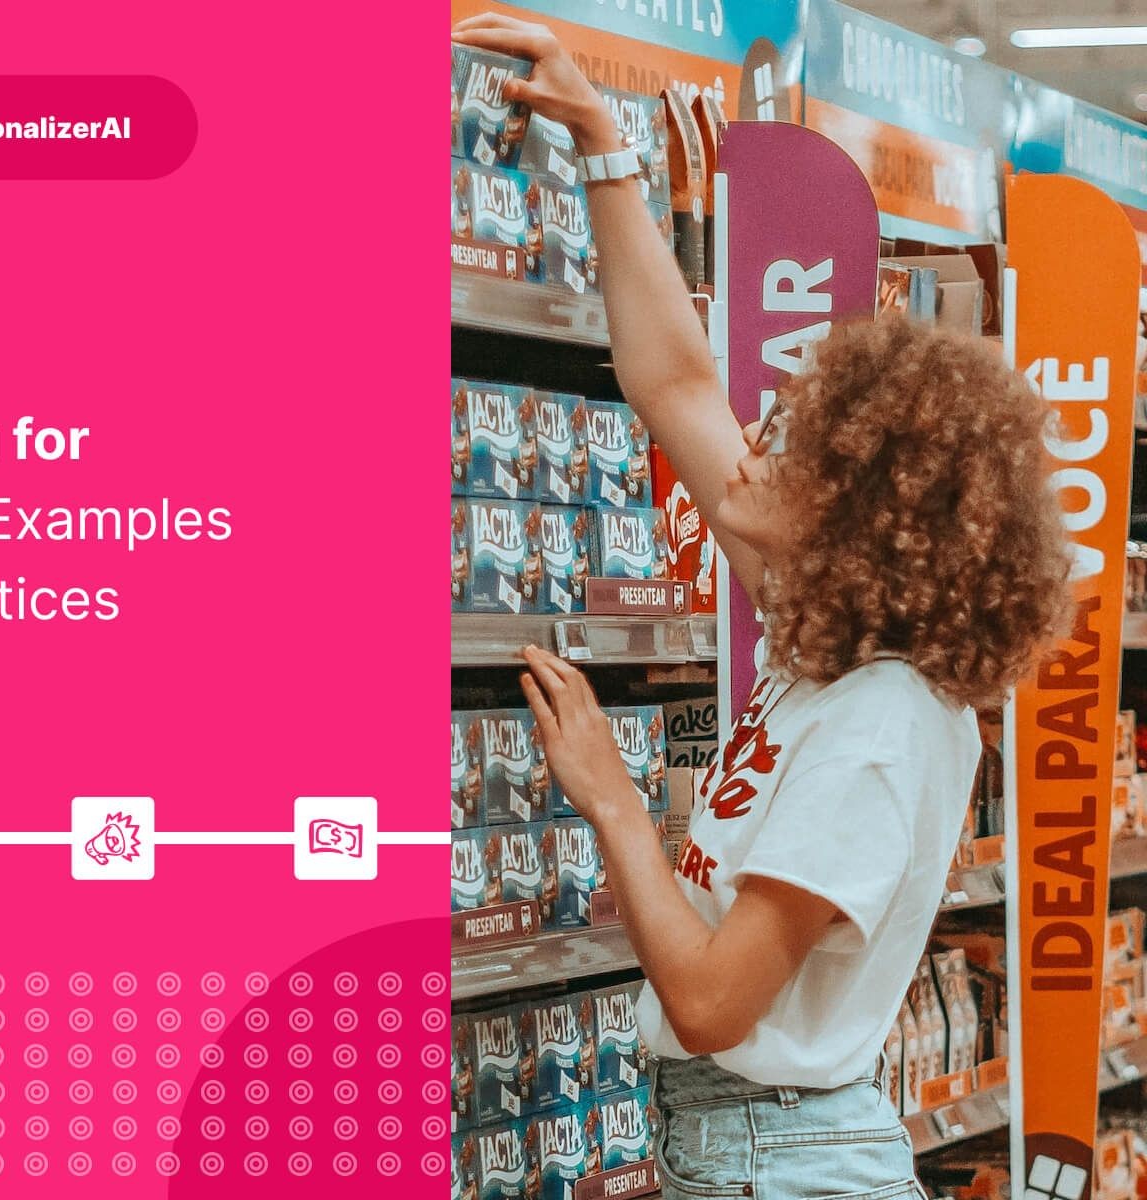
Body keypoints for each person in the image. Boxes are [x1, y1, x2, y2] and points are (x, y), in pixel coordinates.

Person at [451, 13, 1074, 1198]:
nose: (747, 456)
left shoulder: (879, 730)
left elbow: (711, 1000)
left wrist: (610, 800)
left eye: (787, 452)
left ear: (859, 517)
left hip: (779, 1163)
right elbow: (673, 379)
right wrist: (605, 147)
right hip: (751, 1148)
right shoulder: (841, 659)